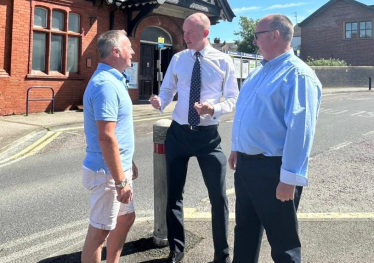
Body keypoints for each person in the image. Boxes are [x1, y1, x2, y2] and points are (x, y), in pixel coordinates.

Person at [228, 14, 322, 263]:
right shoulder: (259, 72)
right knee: (245, 231)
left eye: (257, 35)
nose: (254, 41)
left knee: (283, 243)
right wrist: (237, 147)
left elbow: (301, 130)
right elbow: (245, 113)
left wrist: (289, 178)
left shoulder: (298, 75)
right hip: (247, 166)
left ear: (274, 35)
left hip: (274, 169)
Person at [150, 12, 238, 263]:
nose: (184, 36)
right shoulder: (178, 59)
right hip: (178, 133)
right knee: (174, 195)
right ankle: (176, 250)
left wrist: (214, 109)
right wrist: (160, 101)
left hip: (209, 138)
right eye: (184, 31)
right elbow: (168, 89)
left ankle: (222, 254)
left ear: (205, 34)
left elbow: (233, 98)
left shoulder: (223, 61)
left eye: (190, 32)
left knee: (218, 198)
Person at [81, 30, 138, 263]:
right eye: (129, 47)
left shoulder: (115, 80)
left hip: (117, 168)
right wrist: (120, 180)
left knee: (126, 218)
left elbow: (119, 132)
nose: (133, 52)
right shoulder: (105, 85)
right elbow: (106, 137)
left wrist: (128, 160)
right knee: (99, 232)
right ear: (116, 51)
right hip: (108, 173)